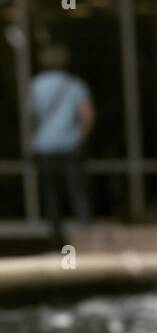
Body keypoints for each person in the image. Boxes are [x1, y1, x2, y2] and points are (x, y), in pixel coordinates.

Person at [29, 44, 94, 247]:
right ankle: (86, 239)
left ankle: (56, 241)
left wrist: (34, 139)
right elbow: (88, 115)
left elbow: (31, 117)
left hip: (44, 147)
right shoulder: (74, 85)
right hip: (68, 147)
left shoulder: (36, 85)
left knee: (51, 195)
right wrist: (79, 139)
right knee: (78, 193)